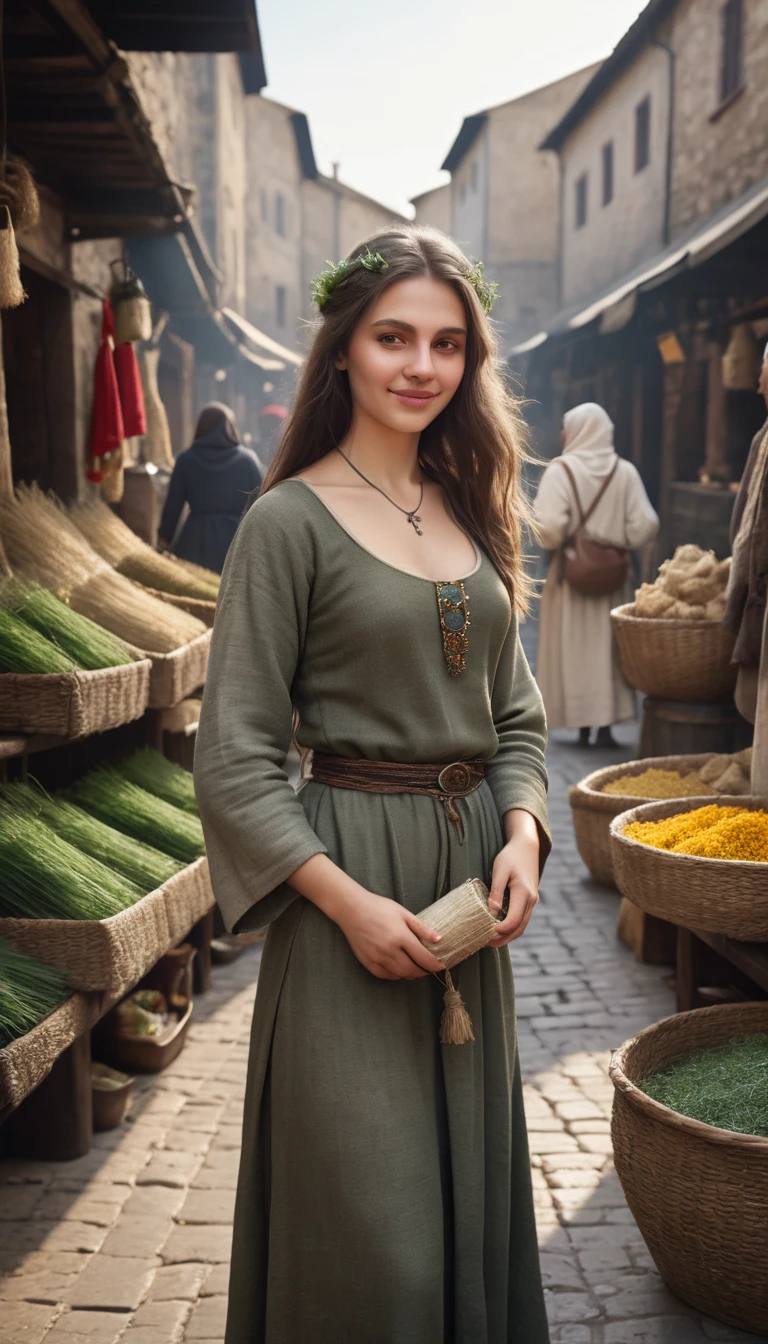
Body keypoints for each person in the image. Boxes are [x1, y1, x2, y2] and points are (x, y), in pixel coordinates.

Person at [194, 225, 552, 1344]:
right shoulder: (285, 521)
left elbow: (518, 721)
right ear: (343, 346)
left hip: (464, 911)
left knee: (465, 1222)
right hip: (346, 902)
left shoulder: (472, 508)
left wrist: (525, 835)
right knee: (377, 1249)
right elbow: (238, 757)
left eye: (448, 344)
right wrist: (346, 906)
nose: (421, 366)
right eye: (393, 336)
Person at [533, 402, 658, 747]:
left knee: (573, 646)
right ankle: (605, 725)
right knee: (609, 649)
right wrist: (616, 542)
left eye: (565, 426)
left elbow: (550, 530)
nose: (561, 434)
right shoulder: (625, 471)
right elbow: (645, 526)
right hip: (613, 578)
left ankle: (581, 723)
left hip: (571, 577)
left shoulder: (560, 471)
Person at [157, 401, 262, 574]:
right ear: (231, 428)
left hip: (193, 545)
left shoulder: (185, 460)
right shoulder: (248, 461)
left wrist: (163, 542)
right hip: (237, 546)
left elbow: (172, 507)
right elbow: (260, 506)